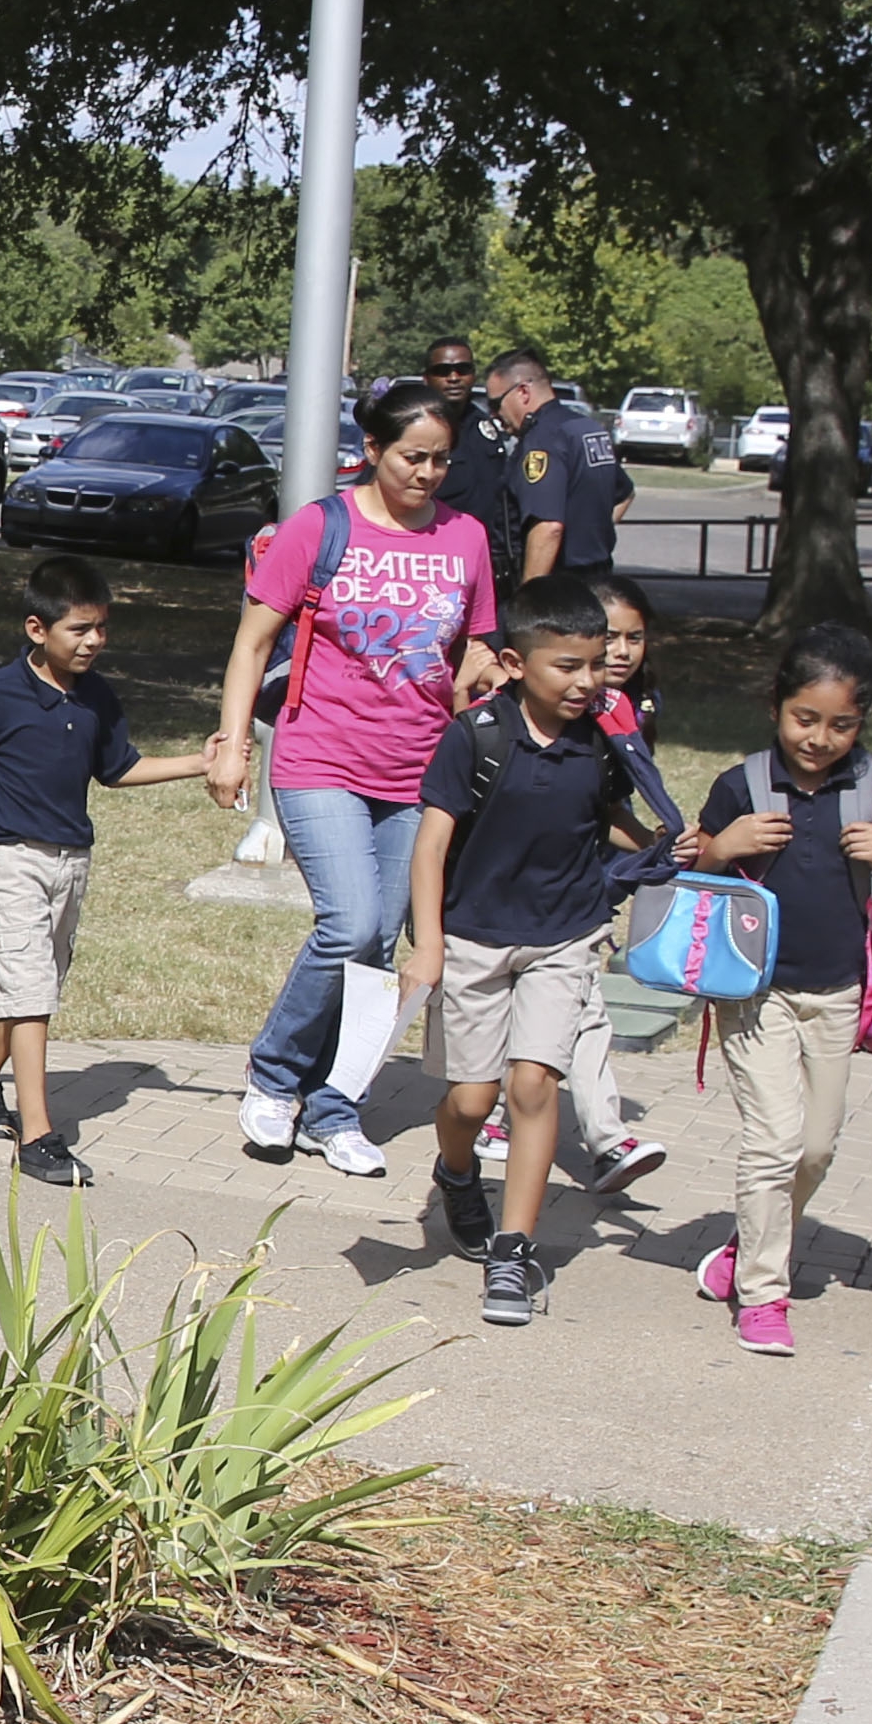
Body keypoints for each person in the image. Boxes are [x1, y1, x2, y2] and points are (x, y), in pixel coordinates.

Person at [213, 377, 499, 1181]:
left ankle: (333, 1106)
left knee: (379, 943)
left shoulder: (465, 538)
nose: (427, 474)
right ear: (371, 450)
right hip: (319, 758)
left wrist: (481, 674)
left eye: (441, 461)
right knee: (349, 925)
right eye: (412, 457)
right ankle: (273, 1078)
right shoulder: (320, 527)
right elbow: (249, 645)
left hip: (417, 769)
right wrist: (233, 744)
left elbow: (474, 645)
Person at [0, 555, 216, 1188]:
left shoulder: (97, 698)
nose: (93, 642)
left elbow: (118, 770)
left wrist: (198, 762)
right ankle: (37, 1136)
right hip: (12, 859)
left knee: (39, 982)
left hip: (71, 862)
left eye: (101, 629)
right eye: (79, 630)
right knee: (30, 985)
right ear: (38, 629)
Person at [396, 575, 682, 1325]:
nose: (588, 680)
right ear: (517, 664)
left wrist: (665, 846)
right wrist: (427, 947)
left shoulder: (603, 739)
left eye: (596, 664)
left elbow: (607, 818)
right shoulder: (478, 736)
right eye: (568, 666)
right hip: (471, 940)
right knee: (469, 1100)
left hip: (564, 935)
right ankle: (455, 1172)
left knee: (531, 1088)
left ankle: (513, 1252)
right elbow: (430, 848)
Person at [687, 624, 872, 1356]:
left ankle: (744, 1247)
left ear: (861, 721)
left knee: (815, 1148)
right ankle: (763, 1292)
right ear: (775, 707)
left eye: (840, 724)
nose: (819, 738)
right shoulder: (742, 785)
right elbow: (687, 865)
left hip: (837, 992)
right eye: (805, 718)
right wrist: (724, 847)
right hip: (753, 993)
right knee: (773, 1142)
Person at [532, 571, 675, 1196]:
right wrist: (648, 842)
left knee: (584, 1005)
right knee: (558, 1009)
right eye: (608, 637)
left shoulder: (633, 708)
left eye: (633, 638)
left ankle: (606, 1138)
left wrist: (659, 844)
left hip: (584, 883)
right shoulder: (553, 703)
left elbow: (613, 803)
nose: (619, 652)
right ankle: (513, 1122)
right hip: (525, 881)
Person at [485, 350, 623, 598]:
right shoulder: (586, 428)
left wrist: (529, 601)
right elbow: (625, 494)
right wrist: (589, 534)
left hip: (557, 589)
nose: (494, 415)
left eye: (496, 404)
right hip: (597, 580)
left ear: (523, 392)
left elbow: (548, 527)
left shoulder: (543, 440)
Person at [423, 337, 515, 544]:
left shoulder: (486, 426)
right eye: (443, 371)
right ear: (426, 378)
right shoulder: (416, 430)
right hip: (436, 547)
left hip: (488, 551)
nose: (454, 377)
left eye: (462, 369)